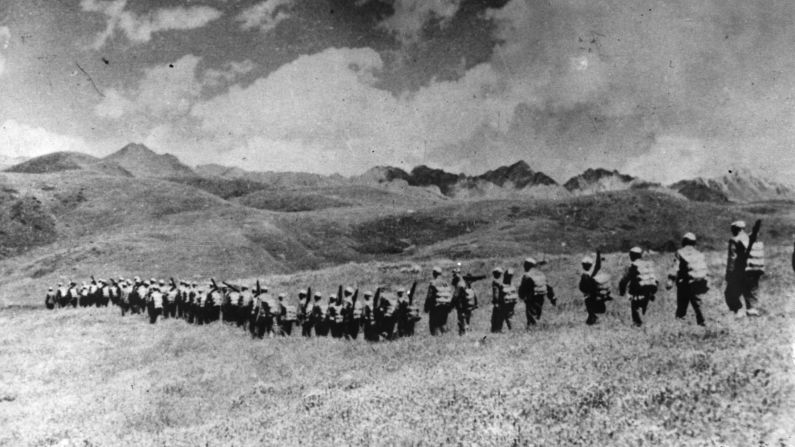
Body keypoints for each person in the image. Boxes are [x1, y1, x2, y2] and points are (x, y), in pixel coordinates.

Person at [724, 220, 764, 317]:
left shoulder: (735, 239)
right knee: (751, 292)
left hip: (741, 272)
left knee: (729, 293)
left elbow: (732, 259)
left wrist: (729, 274)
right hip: (754, 270)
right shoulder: (751, 239)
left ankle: (738, 311)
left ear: (734, 229)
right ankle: (752, 311)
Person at [668, 232, 707, 326]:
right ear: (694, 243)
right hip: (697, 283)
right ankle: (702, 323)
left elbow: (675, 268)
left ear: (683, 242)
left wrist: (670, 281)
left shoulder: (680, 252)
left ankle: (680, 325)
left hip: (684, 284)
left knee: (681, 306)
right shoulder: (699, 254)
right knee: (698, 306)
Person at [618, 247, 658, 327]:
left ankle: (638, 324)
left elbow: (625, 280)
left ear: (631, 256)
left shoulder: (634, 266)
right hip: (649, 291)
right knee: (644, 310)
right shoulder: (648, 264)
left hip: (638, 292)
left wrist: (622, 291)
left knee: (635, 309)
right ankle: (646, 325)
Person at [518, 258, 555, 328]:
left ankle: (532, 330)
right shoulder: (541, 274)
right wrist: (552, 297)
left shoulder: (527, 275)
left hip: (531, 298)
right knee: (537, 314)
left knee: (531, 316)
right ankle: (536, 328)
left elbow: (523, 288)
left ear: (527, 265)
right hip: (541, 297)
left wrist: (522, 296)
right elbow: (548, 286)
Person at [579, 253, 610, 325]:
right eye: (584, 264)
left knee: (589, 304)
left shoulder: (590, 272)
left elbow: (598, 265)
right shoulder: (586, 273)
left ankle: (592, 318)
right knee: (589, 305)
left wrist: (598, 254)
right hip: (589, 292)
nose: (585, 266)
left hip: (591, 292)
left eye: (586, 265)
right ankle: (592, 318)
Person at [424, 267, 453, 335]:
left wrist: (426, 307)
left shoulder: (433, 283)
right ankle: (446, 339)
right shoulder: (445, 283)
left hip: (435, 307)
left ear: (434, 273)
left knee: (434, 326)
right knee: (443, 323)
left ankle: (437, 340)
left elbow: (429, 297)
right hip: (445, 307)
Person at [490, 267, 504, 333]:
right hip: (503, 301)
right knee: (500, 317)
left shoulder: (495, 282)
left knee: (495, 317)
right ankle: (499, 329)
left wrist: (496, 302)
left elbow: (496, 293)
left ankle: (495, 330)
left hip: (498, 302)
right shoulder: (502, 281)